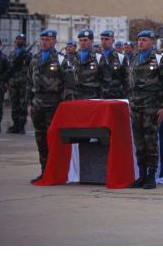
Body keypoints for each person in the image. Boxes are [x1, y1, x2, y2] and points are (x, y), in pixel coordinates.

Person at [127, 30, 163, 189]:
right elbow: (131, 84)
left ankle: (151, 176)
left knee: (151, 142)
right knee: (139, 143)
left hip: (151, 107)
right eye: (139, 40)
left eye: (145, 40)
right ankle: (141, 175)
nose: (141, 42)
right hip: (136, 107)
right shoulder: (133, 58)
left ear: (152, 42)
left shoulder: (160, 59)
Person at [27, 29, 67, 182]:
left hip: (54, 104)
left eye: (48, 40)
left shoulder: (61, 59)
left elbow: (68, 85)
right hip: (38, 104)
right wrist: (29, 102)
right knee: (40, 138)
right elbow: (29, 82)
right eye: (42, 39)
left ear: (54, 41)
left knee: (54, 139)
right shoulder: (35, 59)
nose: (45, 42)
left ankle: (56, 172)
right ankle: (44, 171)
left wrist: (63, 105)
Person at [64, 29, 111, 100]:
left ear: (91, 41)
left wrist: (101, 98)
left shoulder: (98, 57)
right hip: (76, 97)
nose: (82, 43)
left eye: (85, 40)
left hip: (93, 97)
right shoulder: (74, 57)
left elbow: (106, 80)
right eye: (80, 40)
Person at [7, 34, 32, 134]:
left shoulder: (28, 55)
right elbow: (9, 69)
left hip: (23, 83)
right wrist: (8, 81)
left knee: (22, 104)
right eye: (18, 39)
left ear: (25, 42)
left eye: (22, 39)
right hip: (13, 83)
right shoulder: (12, 54)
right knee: (14, 104)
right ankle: (15, 124)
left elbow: (31, 69)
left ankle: (21, 126)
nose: (19, 41)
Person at [100, 29, 129, 99]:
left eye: (106, 39)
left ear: (113, 41)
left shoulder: (120, 57)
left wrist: (125, 96)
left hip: (116, 95)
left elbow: (126, 79)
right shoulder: (96, 56)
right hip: (100, 95)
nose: (104, 41)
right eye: (102, 39)